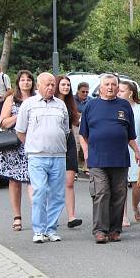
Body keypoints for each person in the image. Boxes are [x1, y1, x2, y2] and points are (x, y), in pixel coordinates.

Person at [79, 73, 140, 244]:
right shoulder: (91, 106)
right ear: (100, 87)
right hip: (97, 159)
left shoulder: (124, 106)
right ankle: (100, 230)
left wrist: (136, 151)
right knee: (101, 192)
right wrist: (86, 153)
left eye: (114, 84)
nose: (110, 87)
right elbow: (83, 135)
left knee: (119, 194)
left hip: (120, 159)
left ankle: (114, 229)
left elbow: (130, 135)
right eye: (107, 84)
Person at [15, 72, 70, 243]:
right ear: (38, 86)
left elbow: (66, 131)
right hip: (37, 156)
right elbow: (20, 131)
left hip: (58, 156)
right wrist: (33, 146)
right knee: (40, 191)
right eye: (47, 84)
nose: (51, 87)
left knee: (57, 195)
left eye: (53, 84)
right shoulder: (28, 104)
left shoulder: (61, 105)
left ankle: (51, 229)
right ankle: (38, 230)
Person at [0, 70, 36, 232]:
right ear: (18, 83)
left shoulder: (36, 98)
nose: (25, 82)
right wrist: (20, 115)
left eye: (28, 80)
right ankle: (17, 216)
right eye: (22, 80)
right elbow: (3, 122)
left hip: (32, 144)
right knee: (14, 181)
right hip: (14, 145)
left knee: (34, 180)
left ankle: (37, 216)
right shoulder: (11, 99)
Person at [118, 79, 140, 225]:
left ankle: (135, 205)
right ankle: (123, 215)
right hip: (122, 148)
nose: (118, 93)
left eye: (121, 90)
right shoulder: (116, 107)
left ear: (130, 93)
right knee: (122, 182)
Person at [54, 75, 82, 229]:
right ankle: (53, 216)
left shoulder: (71, 103)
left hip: (69, 140)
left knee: (69, 181)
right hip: (54, 143)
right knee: (54, 182)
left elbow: (75, 123)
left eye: (68, 85)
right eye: (63, 84)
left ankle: (72, 216)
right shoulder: (50, 102)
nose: (66, 87)